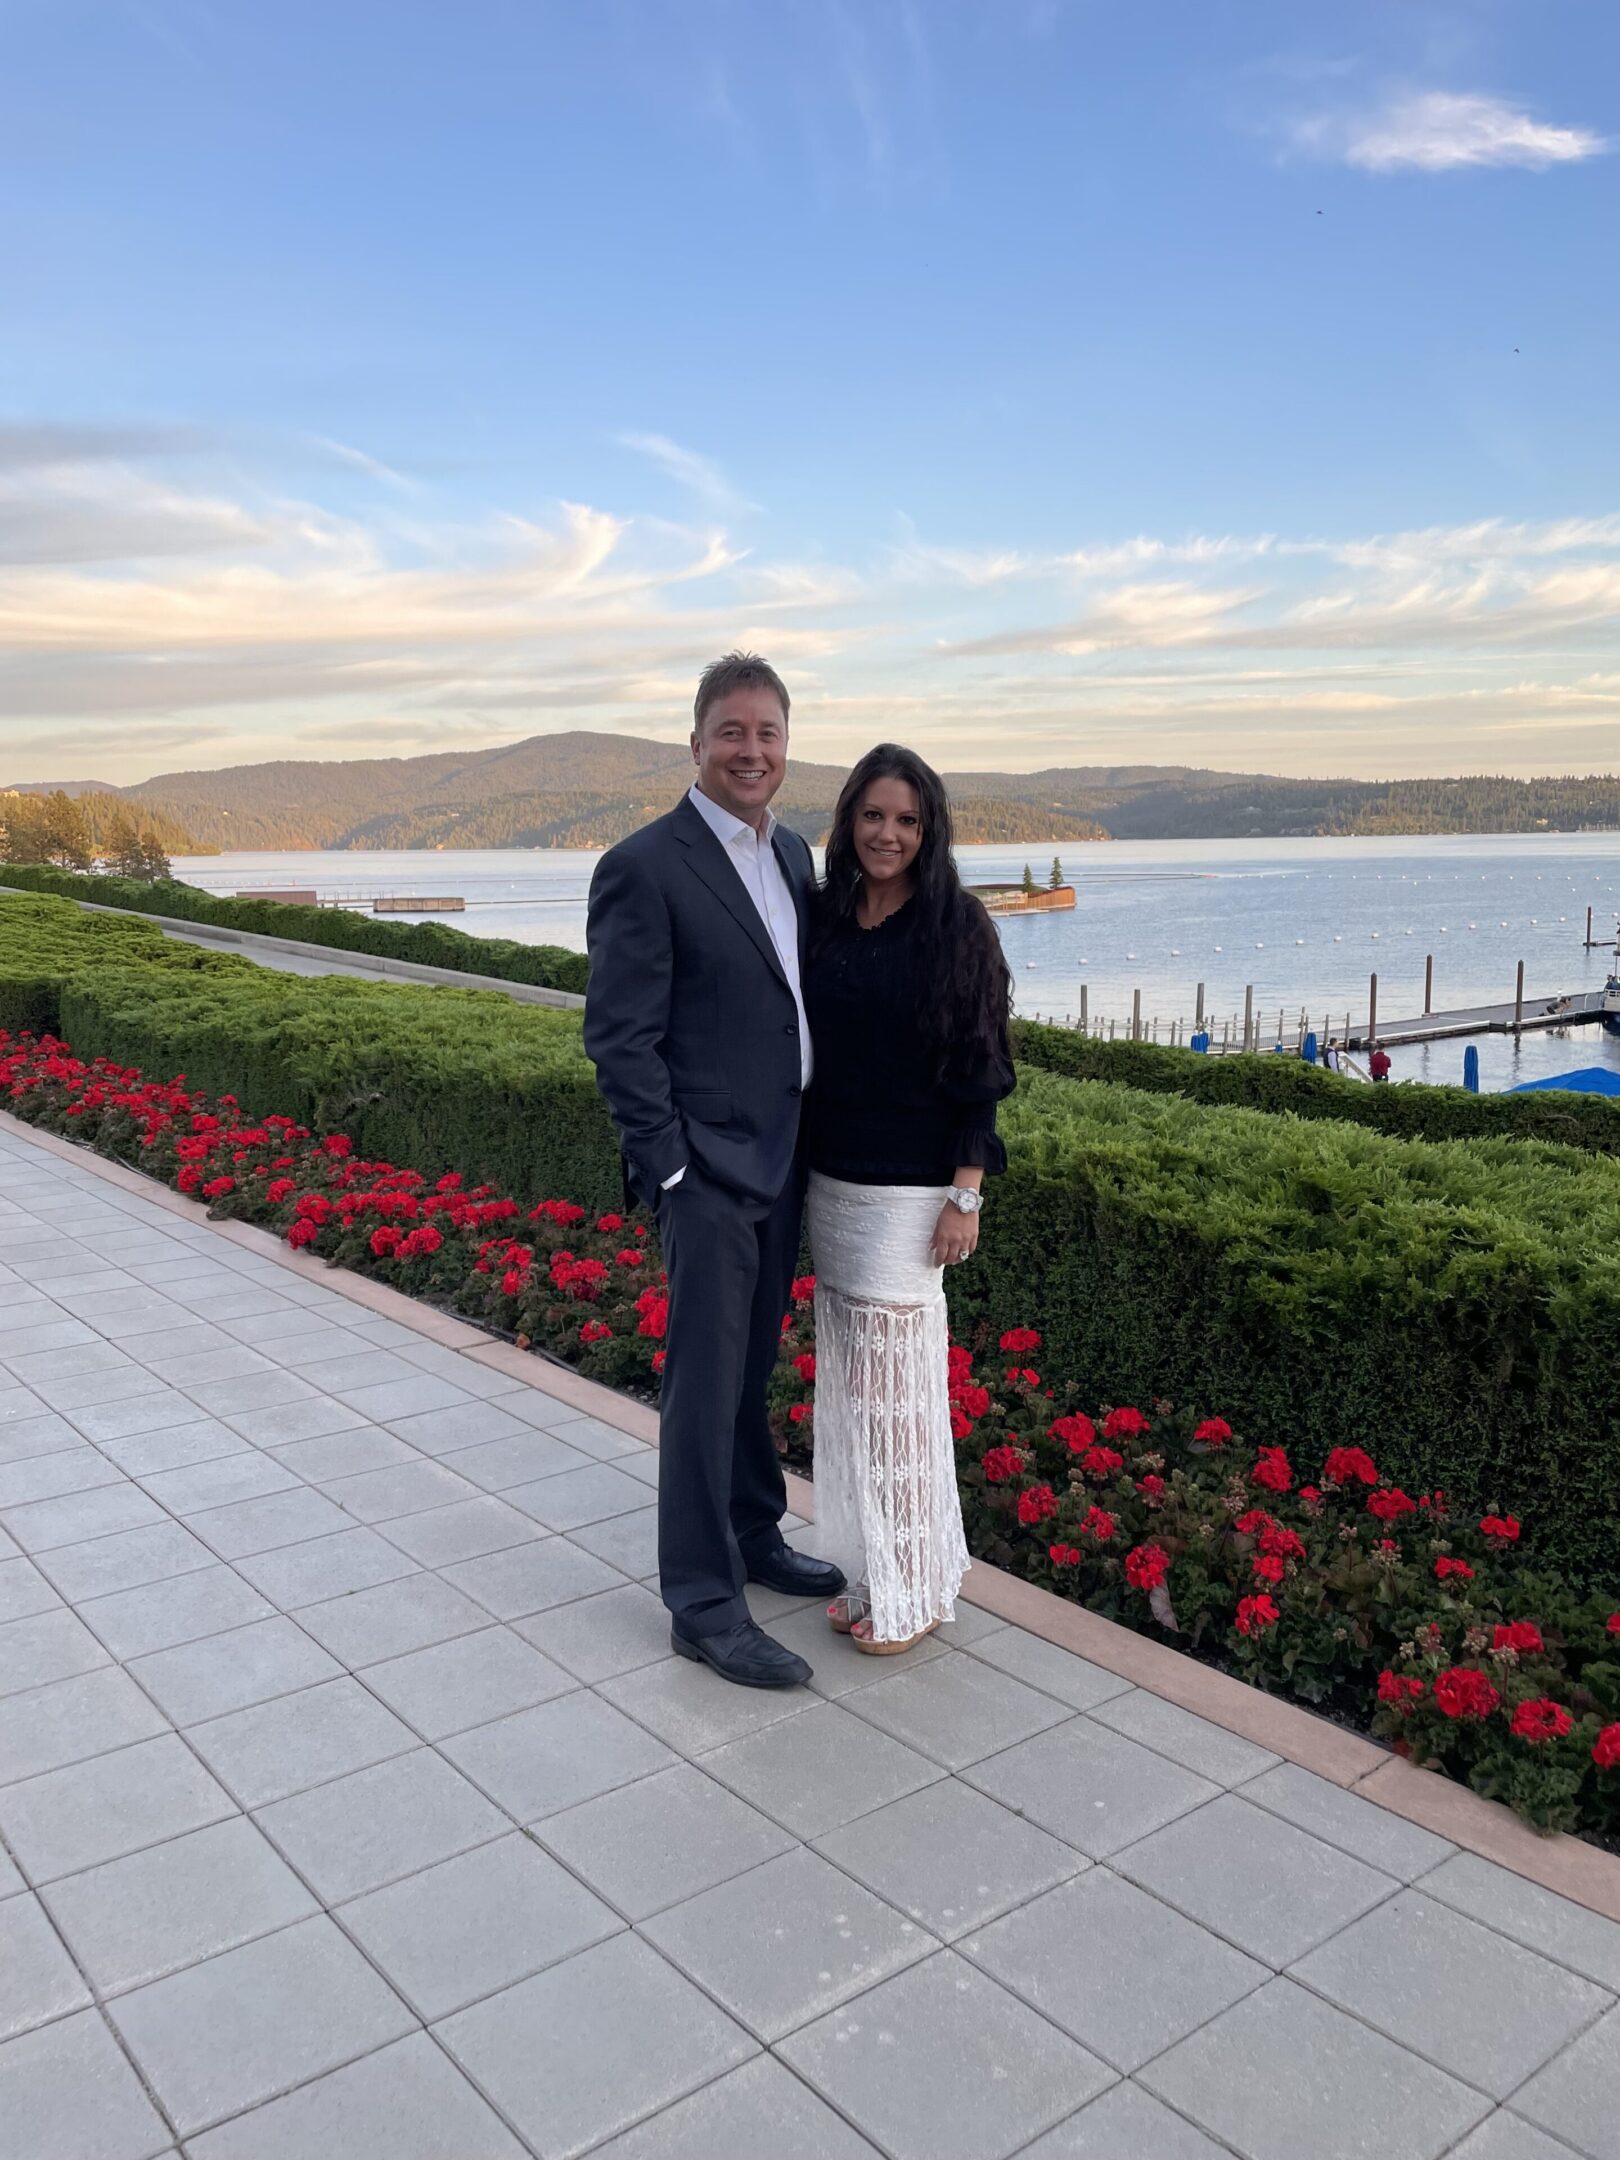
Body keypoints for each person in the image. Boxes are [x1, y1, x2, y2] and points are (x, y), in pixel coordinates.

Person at [584, 652, 845, 1690]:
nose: (752, 751)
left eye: (769, 733)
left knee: (749, 1371)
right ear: (695, 743)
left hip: (783, 1163)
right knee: (700, 1387)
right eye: (732, 732)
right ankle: (701, 1601)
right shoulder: (645, 866)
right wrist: (674, 1174)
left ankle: (753, 1531)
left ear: (787, 745)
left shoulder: (791, 859)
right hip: (708, 1178)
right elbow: (619, 1038)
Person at [802, 745, 1014, 1652]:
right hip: (830, 1183)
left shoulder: (957, 927)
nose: (888, 834)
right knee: (854, 1393)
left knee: (901, 1397)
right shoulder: (827, 916)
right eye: (874, 815)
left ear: (930, 832)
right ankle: (872, 1569)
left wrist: (964, 1195)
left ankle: (919, 1590)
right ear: (850, 820)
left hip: (906, 1196)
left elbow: (982, 1067)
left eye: (908, 819)